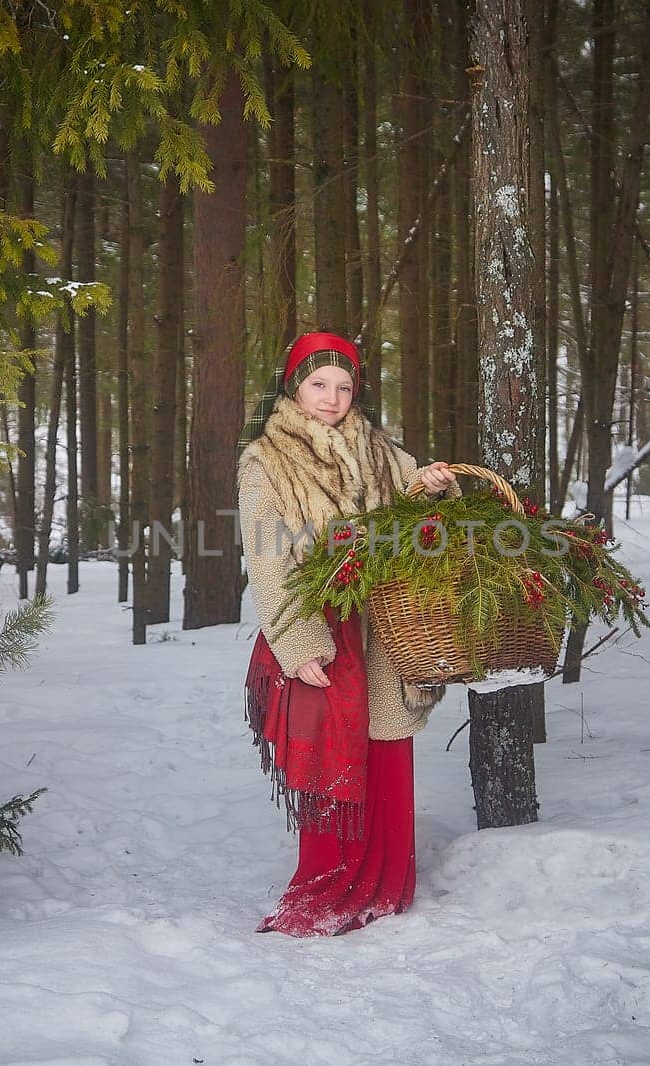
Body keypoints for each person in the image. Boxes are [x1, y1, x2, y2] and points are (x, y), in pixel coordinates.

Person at [237, 330, 458, 937]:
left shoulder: (384, 451)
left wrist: (434, 488)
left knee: (386, 750)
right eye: (318, 385)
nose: (331, 398)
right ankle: (328, 885)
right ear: (294, 386)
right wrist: (299, 640)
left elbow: (418, 524)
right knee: (330, 758)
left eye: (343, 386)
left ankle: (386, 886)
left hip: (384, 628)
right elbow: (268, 558)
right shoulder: (266, 459)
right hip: (321, 626)